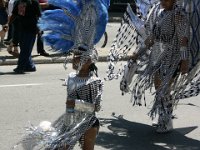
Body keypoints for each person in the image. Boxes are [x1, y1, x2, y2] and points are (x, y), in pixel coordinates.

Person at [14, 0, 109, 149]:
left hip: (88, 123)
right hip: (69, 121)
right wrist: (65, 121)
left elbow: (96, 108)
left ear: (89, 60)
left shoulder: (95, 81)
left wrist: (77, 104)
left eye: (78, 56)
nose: (74, 59)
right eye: (74, 55)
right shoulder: (71, 77)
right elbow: (68, 106)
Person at [107, 0, 200, 133]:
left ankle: (166, 120)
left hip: (172, 58)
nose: (161, 1)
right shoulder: (161, 13)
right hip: (158, 56)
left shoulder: (179, 15)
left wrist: (184, 60)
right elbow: (152, 37)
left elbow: (183, 40)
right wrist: (138, 52)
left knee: (163, 88)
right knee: (160, 88)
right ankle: (164, 117)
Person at [11, 0, 41, 73]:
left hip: (31, 29)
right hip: (21, 28)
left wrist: (40, 27)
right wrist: (8, 24)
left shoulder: (34, 2)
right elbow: (14, 14)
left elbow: (39, 15)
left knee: (26, 49)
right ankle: (30, 66)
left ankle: (21, 67)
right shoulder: (18, 2)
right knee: (24, 48)